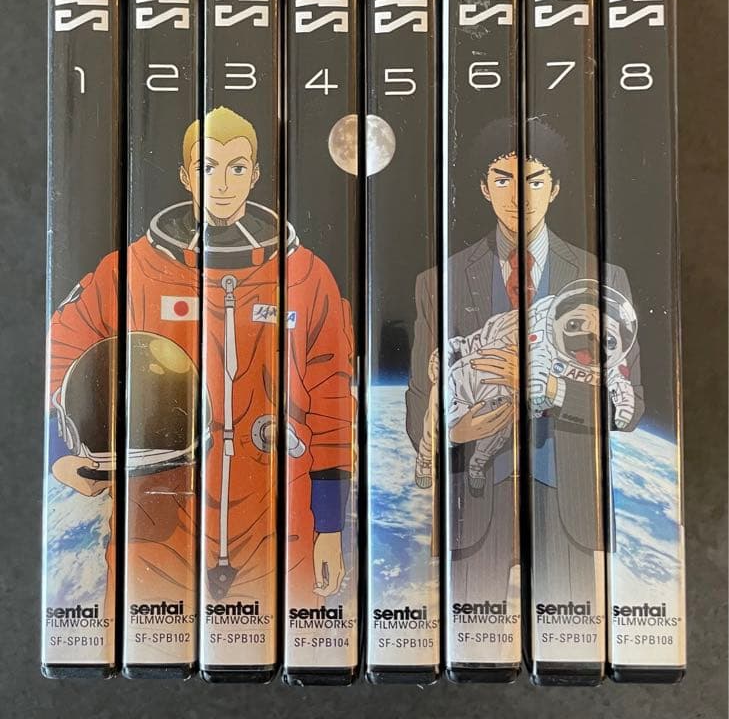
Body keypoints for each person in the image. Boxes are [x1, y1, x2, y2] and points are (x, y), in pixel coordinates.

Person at [49, 106, 355, 611]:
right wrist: (61, 450)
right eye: (208, 166)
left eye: (238, 167)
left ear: (256, 175)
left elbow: (331, 404)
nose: (223, 183)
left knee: (290, 639)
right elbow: (63, 349)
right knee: (150, 640)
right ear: (185, 175)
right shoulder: (132, 272)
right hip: (158, 516)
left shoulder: (305, 276)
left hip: (279, 517)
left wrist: (330, 526)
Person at [405, 116, 644, 601]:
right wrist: (455, 431)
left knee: (570, 635)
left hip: (567, 506)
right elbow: (418, 399)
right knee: (471, 636)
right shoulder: (438, 282)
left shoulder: (604, 280)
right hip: (472, 509)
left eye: (534, 180)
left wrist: (552, 388)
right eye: (503, 179)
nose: (518, 195)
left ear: (554, 189)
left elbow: (630, 406)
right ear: (483, 188)